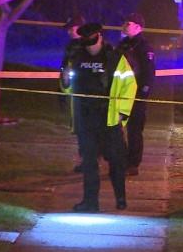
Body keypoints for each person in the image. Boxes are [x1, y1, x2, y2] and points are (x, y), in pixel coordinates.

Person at [70, 22, 137, 212]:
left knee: (116, 162)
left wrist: (122, 114)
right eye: (86, 43)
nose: (89, 48)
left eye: (92, 41)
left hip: (109, 119)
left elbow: (130, 86)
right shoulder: (77, 58)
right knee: (89, 163)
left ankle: (121, 198)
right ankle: (90, 203)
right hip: (86, 119)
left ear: (100, 36)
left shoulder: (115, 58)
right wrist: (65, 82)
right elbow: (69, 87)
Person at [117, 13, 155, 177]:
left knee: (134, 130)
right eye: (124, 23)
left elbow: (148, 72)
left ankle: (132, 164)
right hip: (120, 94)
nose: (125, 25)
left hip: (137, 94)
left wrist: (143, 93)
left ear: (138, 27)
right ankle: (121, 160)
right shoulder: (122, 45)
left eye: (128, 23)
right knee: (116, 128)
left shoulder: (144, 47)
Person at [59, 15, 86, 173]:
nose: (69, 31)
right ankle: (85, 159)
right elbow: (64, 68)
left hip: (87, 93)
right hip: (74, 91)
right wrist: (63, 90)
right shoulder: (70, 46)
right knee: (79, 128)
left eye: (72, 28)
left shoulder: (89, 45)